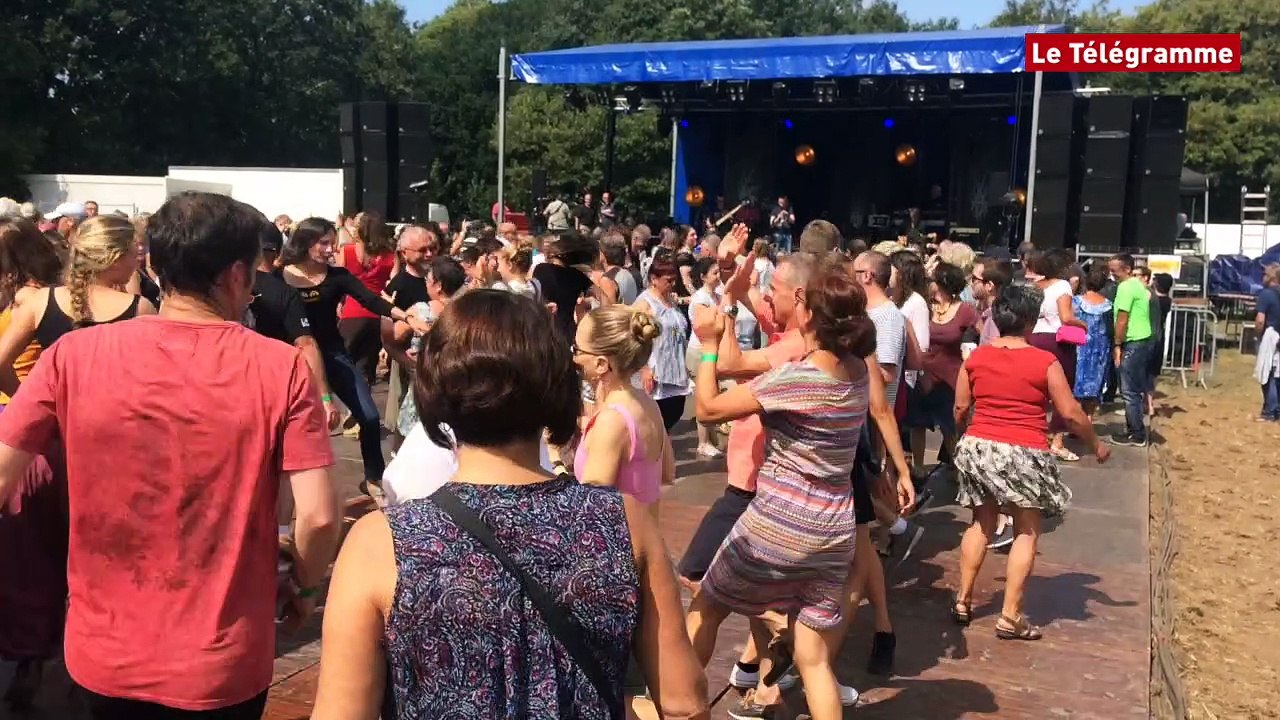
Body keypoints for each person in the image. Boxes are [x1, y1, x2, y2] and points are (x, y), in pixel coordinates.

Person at [0, 192, 342, 719]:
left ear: (155, 267)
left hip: (102, 653)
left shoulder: (72, 355)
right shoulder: (281, 367)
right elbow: (319, 518)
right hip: (220, 663)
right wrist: (305, 585)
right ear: (236, 274)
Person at [311, 290, 709, 720]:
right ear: (556, 386)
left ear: (434, 390)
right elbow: (684, 703)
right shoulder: (622, 521)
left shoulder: (378, 543)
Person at [686, 265, 876, 720]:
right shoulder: (857, 373)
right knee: (813, 657)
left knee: (707, 606)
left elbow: (708, 409)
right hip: (833, 529)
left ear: (809, 315)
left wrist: (709, 345)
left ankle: (677, 706)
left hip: (778, 523)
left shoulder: (797, 378)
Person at [951, 286, 1109, 640]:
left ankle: (962, 599)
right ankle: (1010, 616)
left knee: (981, 522)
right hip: (1025, 450)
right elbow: (1071, 412)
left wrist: (967, 432)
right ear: (1031, 321)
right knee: (1026, 529)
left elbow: (961, 407)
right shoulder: (1044, 362)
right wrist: (1096, 444)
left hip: (980, 445)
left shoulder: (976, 358)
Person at [281, 217, 424, 494]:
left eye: (333, 243)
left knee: (369, 416)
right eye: (324, 243)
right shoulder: (281, 277)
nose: (331, 249)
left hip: (332, 353)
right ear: (306, 243)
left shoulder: (338, 277)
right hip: (290, 358)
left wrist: (405, 316)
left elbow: (371, 300)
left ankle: (374, 477)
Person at [0, 218, 66, 711]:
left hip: (22, 435)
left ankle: (32, 653)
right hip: (29, 436)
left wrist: (26, 408)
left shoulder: (30, 300)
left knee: (27, 552)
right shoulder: (37, 299)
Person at [0, 215, 157, 397]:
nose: (136, 262)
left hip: (58, 410)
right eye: (132, 254)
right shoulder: (139, 308)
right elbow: (154, 374)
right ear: (114, 258)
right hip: (116, 410)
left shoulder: (41, 300)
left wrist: (30, 402)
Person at [573, 304, 674, 513]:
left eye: (576, 349)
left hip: (621, 534)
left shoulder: (611, 420)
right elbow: (667, 473)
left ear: (601, 364)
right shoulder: (647, 403)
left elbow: (592, 508)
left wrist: (556, 464)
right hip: (647, 530)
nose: (573, 357)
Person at [247, 222, 338, 430]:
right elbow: (306, 345)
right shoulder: (284, 292)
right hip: (274, 385)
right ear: (276, 251)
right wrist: (325, 399)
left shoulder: (220, 286)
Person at [380, 226, 439, 449]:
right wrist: (406, 363)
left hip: (435, 365)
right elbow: (388, 334)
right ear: (404, 253)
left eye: (432, 248)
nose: (429, 254)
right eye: (422, 250)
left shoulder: (436, 279)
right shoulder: (398, 286)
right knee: (404, 421)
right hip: (407, 363)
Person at [1029, 249, 1088, 461]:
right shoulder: (1062, 286)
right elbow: (1066, 317)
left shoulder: (1036, 286)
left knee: (1037, 388)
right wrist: (1083, 324)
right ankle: (1057, 441)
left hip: (1034, 337)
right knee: (1063, 389)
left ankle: (1036, 434)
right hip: (1057, 340)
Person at [338, 211, 397, 385]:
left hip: (352, 311)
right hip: (377, 312)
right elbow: (392, 285)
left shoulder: (347, 251)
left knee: (342, 363)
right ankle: (364, 400)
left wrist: (339, 304)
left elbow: (338, 282)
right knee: (366, 368)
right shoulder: (390, 255)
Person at [634, 254, 690, 431]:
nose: (672, 284)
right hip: (656, 372)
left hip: (676, 370)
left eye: (674, 280)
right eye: (668, 280)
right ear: (654, 279)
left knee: (674, 413)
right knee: (656, 422)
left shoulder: (671, 300)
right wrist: (644, 368)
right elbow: (635, 338)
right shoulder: (644, 303)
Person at [1107, 253, 1154, 447]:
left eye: (1114, 271)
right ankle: (1133, 429)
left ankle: (1137, 433)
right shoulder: (1137, 285)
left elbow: (1122, 319)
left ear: (1126, 269)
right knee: (1133, 388)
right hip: (1142, 340)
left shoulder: (1126, 287)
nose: (1111, 275)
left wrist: (1117, 344)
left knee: (1129, 390)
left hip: (1133, 341)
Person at [1072, 264, 1114, 418]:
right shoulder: (1109, 305)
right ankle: (1089, 418)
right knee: (1095, 384)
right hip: (1100, 349)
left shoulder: (1076, 301)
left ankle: (1078, 419)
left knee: (1076, 383)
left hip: (1078, 347)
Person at [1253, 264, 1280, 422]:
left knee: (1267, 373)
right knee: (1278, 374)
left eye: (1265, 274)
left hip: (1270, 335)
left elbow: (1260, 320)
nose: (1262, 277)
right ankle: (1277, 409)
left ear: (1271, 278)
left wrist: (1258, 336)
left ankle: (1270, 411)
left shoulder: (1266, 294)